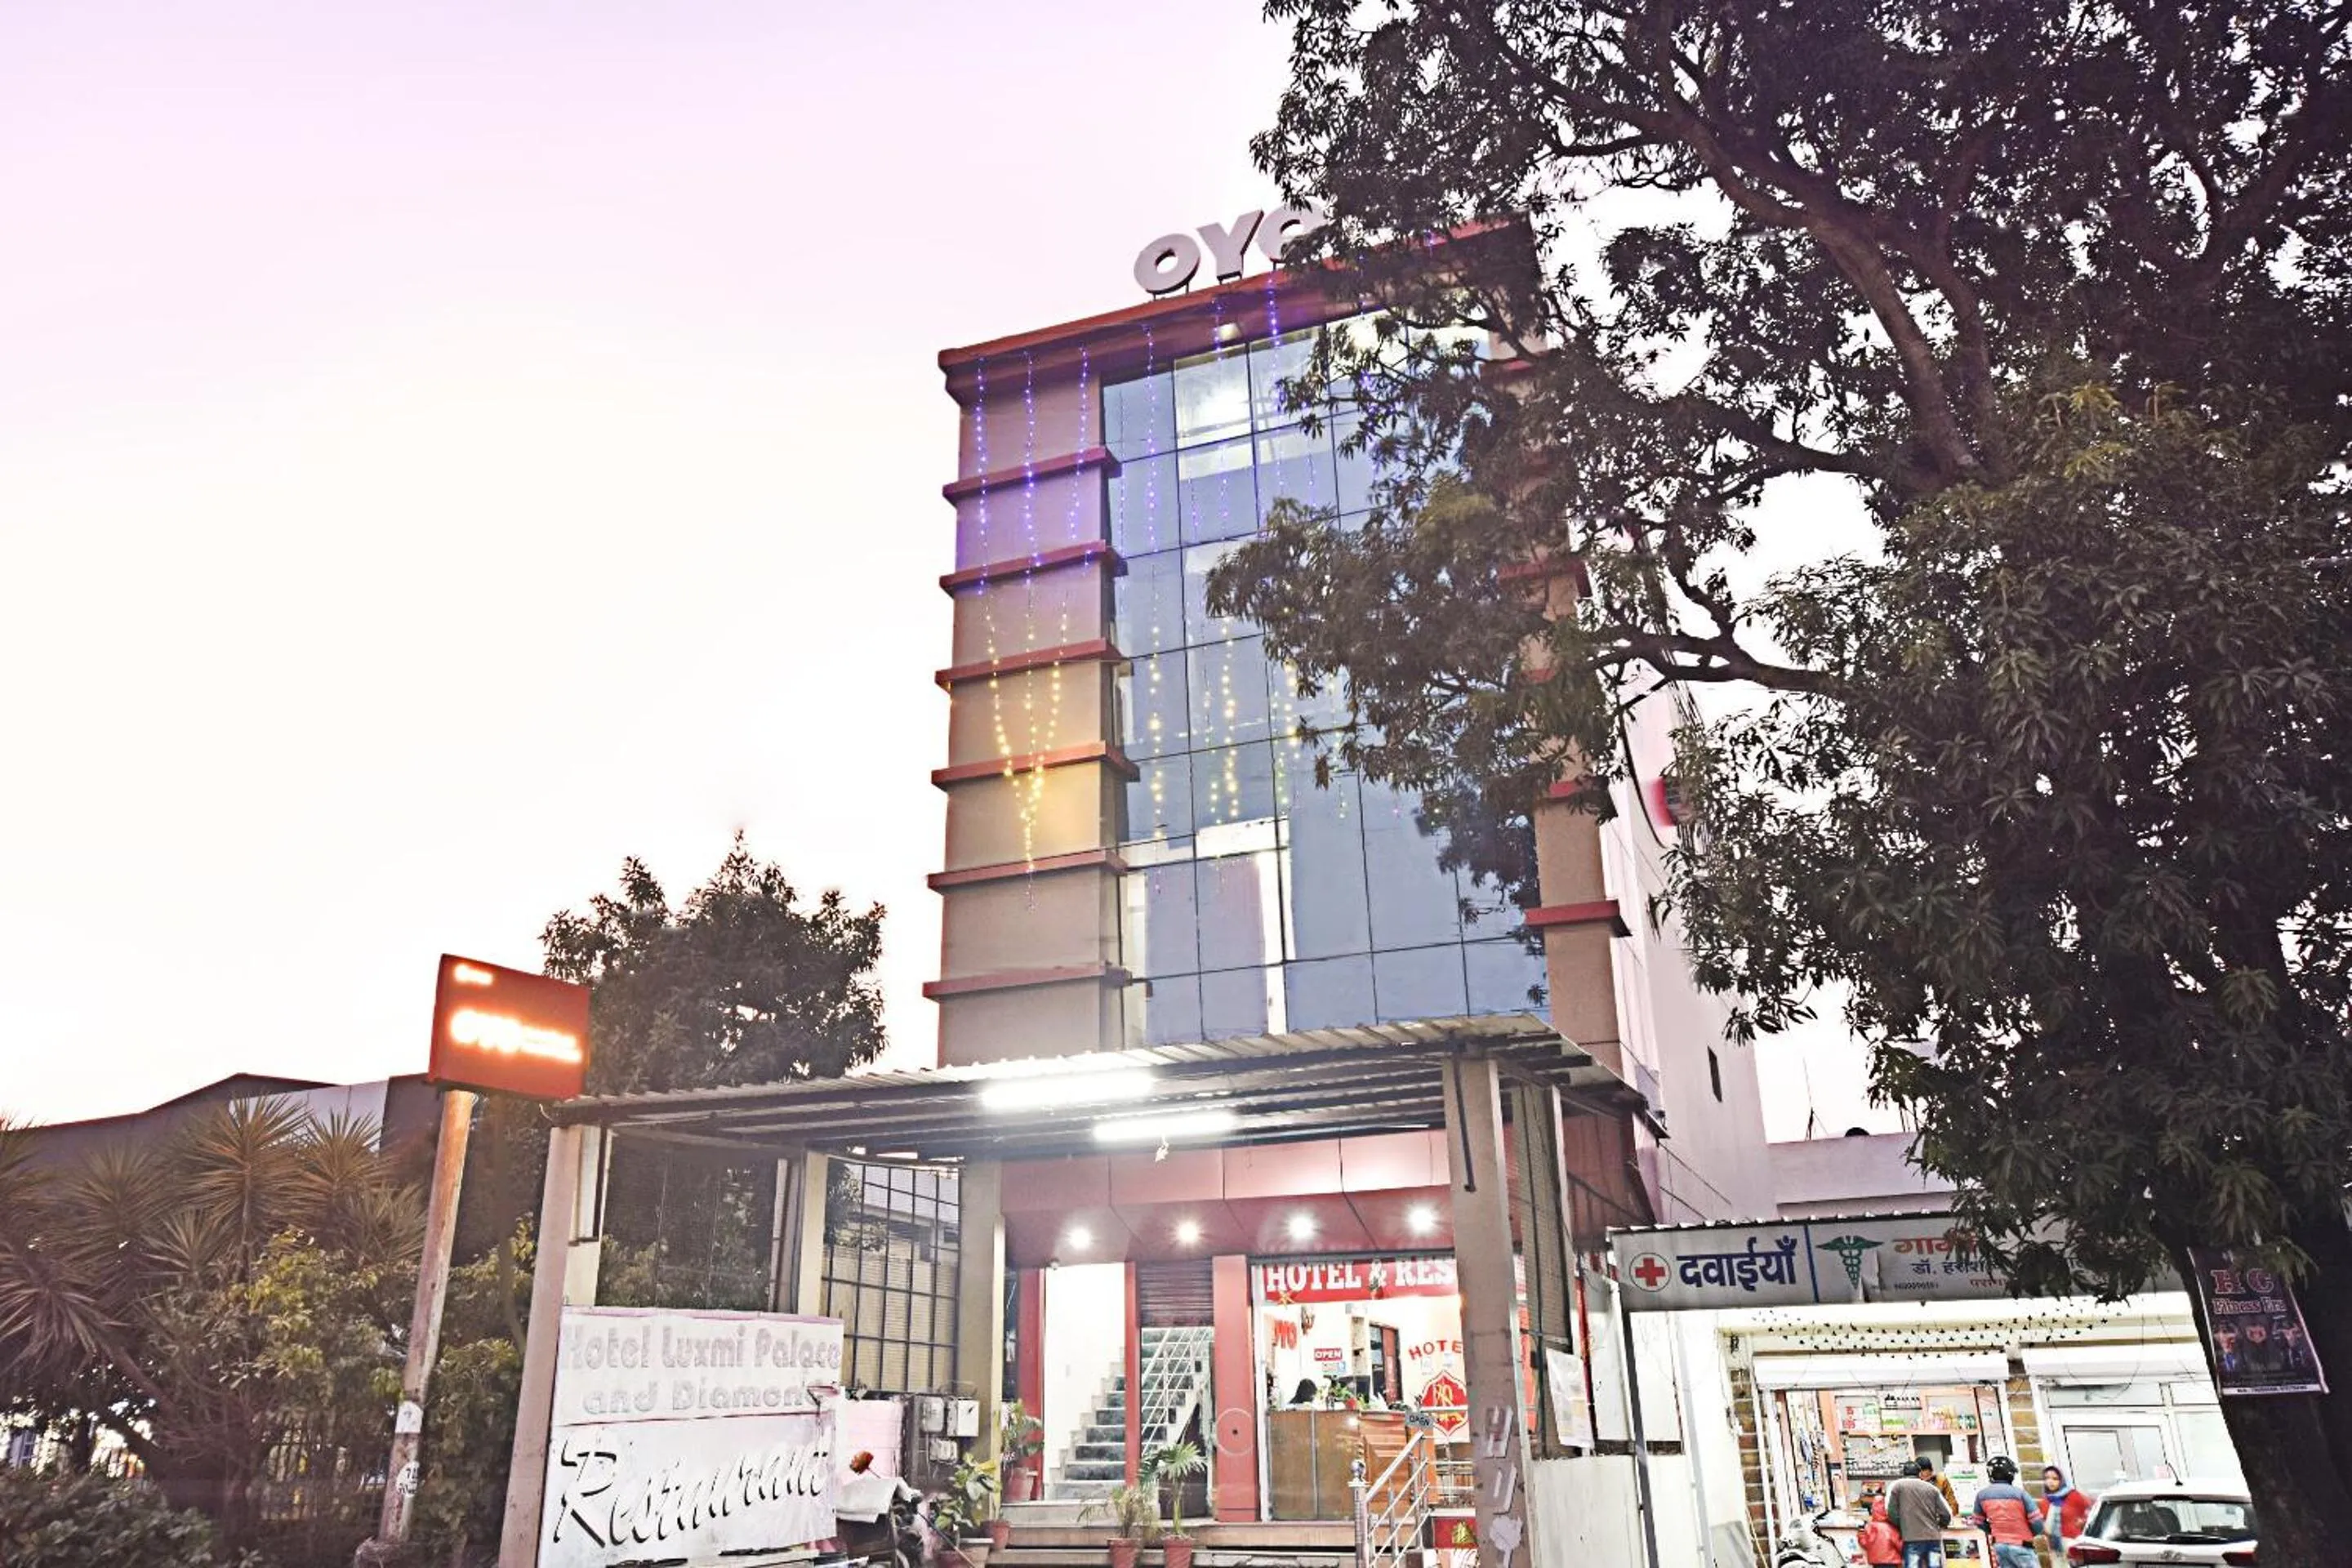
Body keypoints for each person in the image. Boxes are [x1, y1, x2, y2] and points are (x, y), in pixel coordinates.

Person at [1968, 1455, 2044, 1568]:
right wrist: (2030, 1534)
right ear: (2010, 1474)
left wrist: (1992, 1531)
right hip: (2022, 1545)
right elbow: (2037, 1522)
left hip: (1999, 1546)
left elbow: (1978, 1521)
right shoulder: (2020, 1494)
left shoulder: (1982, 1495)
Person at [1887, 1455, 1954, 1568]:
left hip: (1911, 1537)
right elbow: (1946, 1514)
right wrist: (1940, 1525)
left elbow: (1892, 1513)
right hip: (1933, 1537)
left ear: (1903, 1474)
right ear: (1919, 1474)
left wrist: (1903, 1525)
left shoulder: (1897, 1486)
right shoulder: (1932, 1488)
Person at [2041, 1465, 2095, 1554]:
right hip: (2055, 1548)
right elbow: (2043, 1523)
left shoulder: (2073, 1495)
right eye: (2047, 1478)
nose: (2050, 1482)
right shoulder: (2045, 1501)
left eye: (2055, 1479)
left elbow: (2094, 1510)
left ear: (2061, 1480)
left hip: (2073, 1543)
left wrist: (2084, 1521)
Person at [1858, 1494, 1904, 1566]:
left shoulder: (1869, 1526)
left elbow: (1865, 1543)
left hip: (1876, 1561)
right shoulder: (1891, 1527)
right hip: (1890, 1560)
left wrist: (1861, 1534)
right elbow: (1899, 1544)